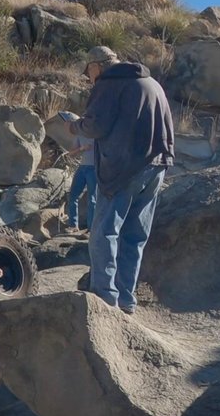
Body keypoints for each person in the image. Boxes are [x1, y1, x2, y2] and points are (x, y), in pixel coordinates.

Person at [69, 45, 174, 314]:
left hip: (123, 170)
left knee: (103, 233)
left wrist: (75, 125)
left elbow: (95, 126)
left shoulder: (109, 84)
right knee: (135, 235)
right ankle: (126, 299)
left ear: (97, 66)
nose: (89, 77)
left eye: (89, 71)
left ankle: (105, 298)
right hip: (156, 167)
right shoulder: (152, 83)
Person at [60, 112, 95, 230]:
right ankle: (73, 225)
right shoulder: (79, 135)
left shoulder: (96, 133)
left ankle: (91, 229)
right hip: (82, 167)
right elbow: (71, 154)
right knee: (73, 195)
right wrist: (81, 149)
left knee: (92, 199)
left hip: (94, 168)